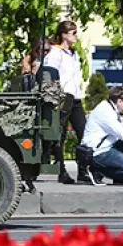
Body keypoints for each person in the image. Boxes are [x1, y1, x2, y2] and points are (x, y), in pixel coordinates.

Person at [42, 21, 86, 184]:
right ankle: (61, 171)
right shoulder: (55, 53)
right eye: (73, 33)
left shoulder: (73, 54)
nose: (76, 36)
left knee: (84, 133)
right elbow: (49, 76)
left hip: (75, 98)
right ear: (64, 35)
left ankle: (84, 170)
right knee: (59, 136)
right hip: (62, 98)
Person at [81, 86, 123, 186]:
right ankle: (97, 171)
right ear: (120, 101)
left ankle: (120, 179)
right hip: (99, 153)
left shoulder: (112, 108)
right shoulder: (105, 112)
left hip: (109, 146)